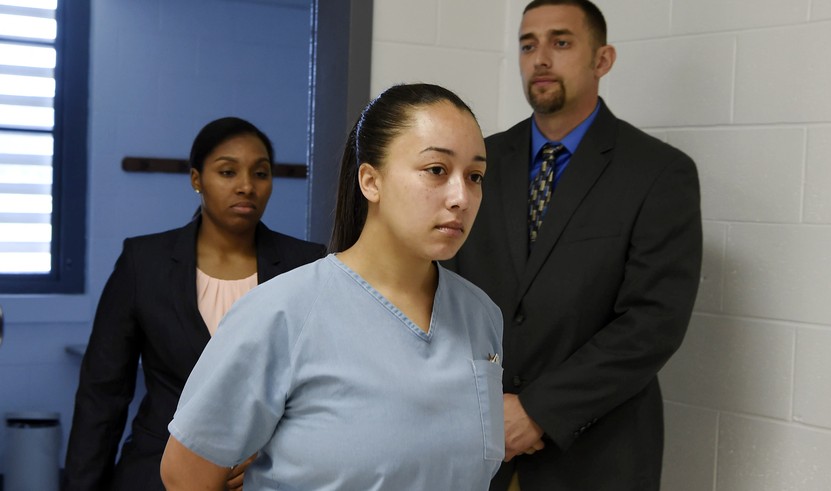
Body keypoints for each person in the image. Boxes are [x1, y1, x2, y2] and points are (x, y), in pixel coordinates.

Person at [159, 83, 505, 490]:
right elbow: (186, 477)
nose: (461, 197)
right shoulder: (282, 312)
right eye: (436, 171)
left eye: (475, 176)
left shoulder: (481, 316)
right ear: (370, 181)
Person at [445, 1, 703, 489]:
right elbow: (439, 287)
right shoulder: (480, 160)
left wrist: (538, 410)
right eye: (528, 45)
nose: (540, 58)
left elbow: (653, 322)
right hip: (473, 441)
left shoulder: (658, 173)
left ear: (602, 60)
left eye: (560, 42)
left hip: (595, 454)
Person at [64, 117, 326, 491]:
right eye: (227, 171)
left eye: (261, 173)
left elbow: (319, 389)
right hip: (158, 471)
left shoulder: (306, 264)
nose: (246, 186)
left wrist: (268, 456)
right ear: (196, 179)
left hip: (268, 474)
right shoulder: (144, 262)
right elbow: (102, 394)